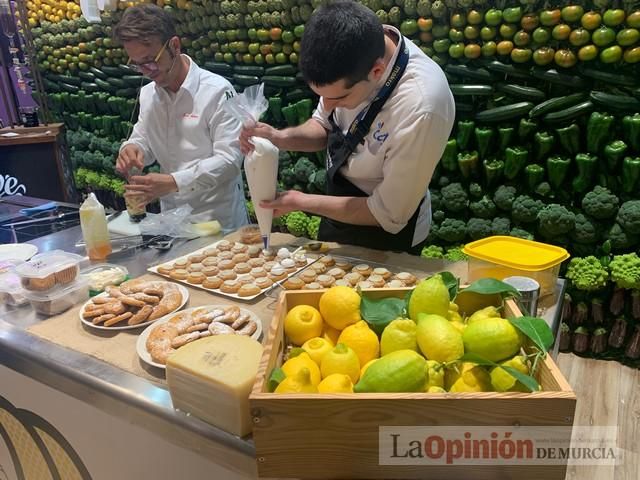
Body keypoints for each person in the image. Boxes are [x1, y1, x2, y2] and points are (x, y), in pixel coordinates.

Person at [240, 0, 454, 253]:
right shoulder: (347, 56)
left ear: (377, 72)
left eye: (339, 99)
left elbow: (387, 213)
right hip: (338, 208)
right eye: (323, 97)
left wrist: (301, 201)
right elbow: (323, 126)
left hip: (387, 231)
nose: (329, 106)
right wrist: (278, 137)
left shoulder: (422, 107)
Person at [113, 4, 247, 229]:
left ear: (174, 45)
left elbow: (230, 160)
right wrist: (132, 149)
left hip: (218, 222)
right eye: (137, 65)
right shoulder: (148, 94)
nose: (147, 71)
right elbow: (143, 138)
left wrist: (174, 182)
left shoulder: (217, 91)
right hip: (173, 222)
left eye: (150, 60)